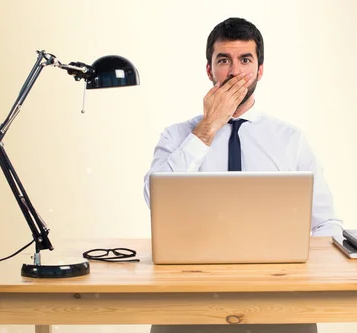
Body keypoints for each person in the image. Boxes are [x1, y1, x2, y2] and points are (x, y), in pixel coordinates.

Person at [143, 17, 343, 333]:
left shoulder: (290, 139)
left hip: (279, 296)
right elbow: (156, 199)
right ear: (209, 69)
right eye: (224, 60)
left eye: (245, 60)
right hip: (190, 296)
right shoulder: (177, 136)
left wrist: (303, 274)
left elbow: (326, 222)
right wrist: (208, 127)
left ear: (260, 70)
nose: (235, 72)